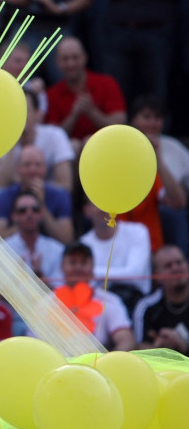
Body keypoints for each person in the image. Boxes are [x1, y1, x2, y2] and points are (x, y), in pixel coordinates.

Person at [123, 96, 187, 253]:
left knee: (174, 214)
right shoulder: (120, 147)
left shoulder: (174, 147)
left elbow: (179, 202)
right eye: (146, 117)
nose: (152, 123)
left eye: (157, 118)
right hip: (122, 219)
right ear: (132, 120)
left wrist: (158, 160)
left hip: (161, 210)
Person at [45, 36, 126, 149]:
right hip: (70, 152)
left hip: (106, 147)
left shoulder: (107, 83)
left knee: (89, 141)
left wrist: (92, 112)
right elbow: (51, 138)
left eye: (75, 58)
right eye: (65, 59)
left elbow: (120, 124)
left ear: (85, 58)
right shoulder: (51, 94)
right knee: (74, 146)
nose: (71, 64)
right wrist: (73, 115)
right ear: (57, 62)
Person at [52, 242, 136, 351]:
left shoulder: (109, 301)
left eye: (84, 262)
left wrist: (105, 363)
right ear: (62, 267)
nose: (78, 268)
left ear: (92, 268)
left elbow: (127, 342)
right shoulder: (47, 303)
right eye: (72, 262)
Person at [0, 89, 74, 192]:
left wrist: (34, 186)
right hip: (16, 198)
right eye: (14, 111)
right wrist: (13, 138)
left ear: (37, 114)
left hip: (48, 193)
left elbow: (65, 185)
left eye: (24, 111)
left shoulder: (55, 135)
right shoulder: (2, 139)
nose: (19, 116)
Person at [0, 144, 74, 244]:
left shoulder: (60, 196)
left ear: (45, 168)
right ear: (17, 168)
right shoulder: (4, 197)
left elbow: (66, 239)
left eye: (38, 165)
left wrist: (42, 207)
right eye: (27, 165)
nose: (32, 170)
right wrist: (26, 222)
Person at [80, 199, 152, 312]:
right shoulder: (83, 243)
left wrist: (92, 272)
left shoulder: (138, 231)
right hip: (98, 307)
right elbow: (85, 284)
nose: (103, 208)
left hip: (136, 303)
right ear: (86, 211)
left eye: (107, 202)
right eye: (97, 203)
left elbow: (135, 275)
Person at [133, 245, 189, 355]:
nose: (175, 268)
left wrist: (183, 345)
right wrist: (162, 349)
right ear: (157, 275)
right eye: (168, 266)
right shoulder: (146, 307)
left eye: (179, 262)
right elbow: (139, 347)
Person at [4, 190, 65, 285]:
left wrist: (41, 278)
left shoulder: (57, 249)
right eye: (22, 210)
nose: (29, 214)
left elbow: (61, 289)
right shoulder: (3, 250)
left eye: (35, 209)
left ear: (41, 214)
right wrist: (15, 279)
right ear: (14, 216)